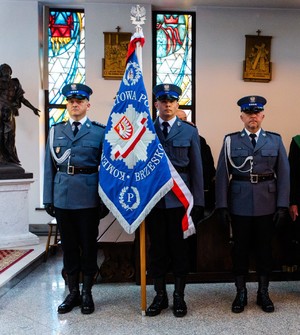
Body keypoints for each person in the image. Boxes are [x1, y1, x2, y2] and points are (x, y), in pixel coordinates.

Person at [215, 95, 289, 314]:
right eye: (248, 113)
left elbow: (284, 174)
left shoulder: (275, 140)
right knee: (240, 249)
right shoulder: (231, 140)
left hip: (267, 203)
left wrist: (282, 204)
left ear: (263, 116)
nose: (253, 116)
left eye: (256, 113)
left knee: (265, 250)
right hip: (240, 203)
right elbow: (222, 175)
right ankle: (241, 293)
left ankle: (263, 293)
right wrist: (222, 205)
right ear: (242, 117)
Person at [43, 83, 107, 315]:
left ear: (87, 104)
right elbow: (49, 167)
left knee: (89, 246)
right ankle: (72, 293)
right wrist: (47, 198)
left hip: (89, 197)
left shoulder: (100, 132)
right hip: (63, 197)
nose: (75, 104)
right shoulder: (56, 131)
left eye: (79, 101)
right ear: (67, 105)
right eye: (71, 101)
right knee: (68, 247)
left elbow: (107, 170)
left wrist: (104, 200)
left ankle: (88, 293)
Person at [145, 83, 205, 318]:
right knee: (157, 251)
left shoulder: (189, 132)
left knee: (180, 251)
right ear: (156, 103)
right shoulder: (146, 131)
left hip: (181, 203)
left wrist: (198, 202)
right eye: (163, 100)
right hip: (155, 202)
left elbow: (197, 170)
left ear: (177, 104)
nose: (167, 104)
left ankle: (179, 297)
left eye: (171, 101)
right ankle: (160, 296)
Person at [0, 63, 40, 165]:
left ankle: (11, 158)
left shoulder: (15, 83)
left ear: (10, 71)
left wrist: (33, 108)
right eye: (3, 70)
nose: (6, 71)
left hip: (10, 113)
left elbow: (22, 99)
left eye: (7, 69)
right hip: (0, 112)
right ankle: (1, 158)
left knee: (10, 136)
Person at [176, 109, 216, 211]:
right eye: (180, 119)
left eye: (185, 119)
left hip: (196, 187)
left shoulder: (199, 139)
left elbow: (207, 165)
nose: (184, 121)